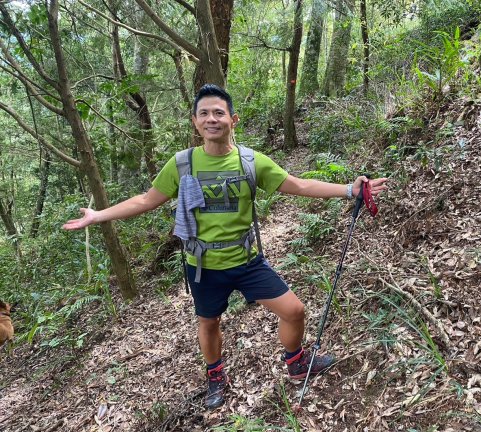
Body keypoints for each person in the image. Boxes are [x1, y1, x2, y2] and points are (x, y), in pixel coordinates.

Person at [63, 84, 387, 409]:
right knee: (208, 322)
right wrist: (98, 215)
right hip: (203, 265)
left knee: (294, 311)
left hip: (246, 262)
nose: (211, 119)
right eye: (204, 113)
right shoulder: (182, 164)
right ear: (195, 122)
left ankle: (297, 362)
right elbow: (146, 200)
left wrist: (349, 189)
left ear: (234, 119)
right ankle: (215, 375)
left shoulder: (251, 162)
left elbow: (299, 185)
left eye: (218, 112)